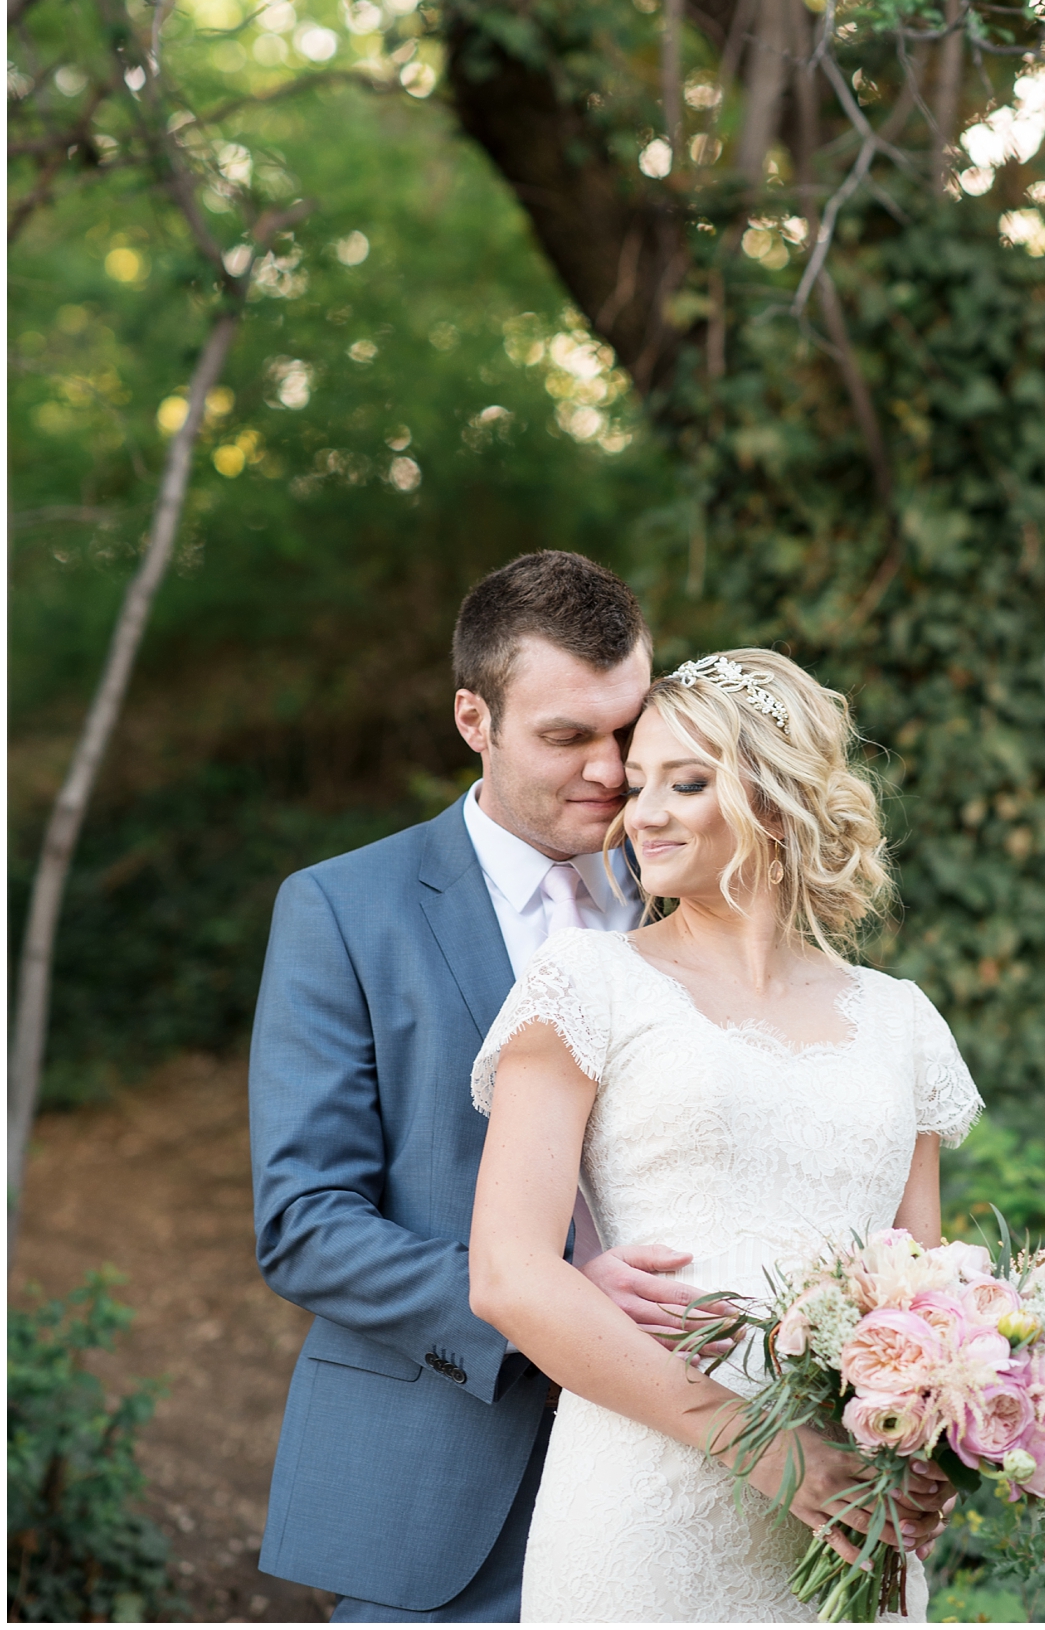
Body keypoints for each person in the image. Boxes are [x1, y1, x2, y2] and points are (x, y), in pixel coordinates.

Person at [253, 552, 763, 1619]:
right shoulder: (344, 911)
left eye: (627, 727)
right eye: (566, 736)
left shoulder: (704, 894)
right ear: (472, 718)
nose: (613, 769)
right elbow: (304, 1223)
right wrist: (547, 1300)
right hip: (441, 1468)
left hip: (690, 1470)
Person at [467, 648, 979, 1621]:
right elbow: (507, 1272)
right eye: (639, 783)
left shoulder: (901, 1018)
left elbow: (927, 1286)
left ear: (777, 797)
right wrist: (774, 1450)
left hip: (848, 1519)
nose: (643, 811)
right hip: (645, 1509)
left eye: (687, 781)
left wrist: (940, 1442)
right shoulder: (587, 983)